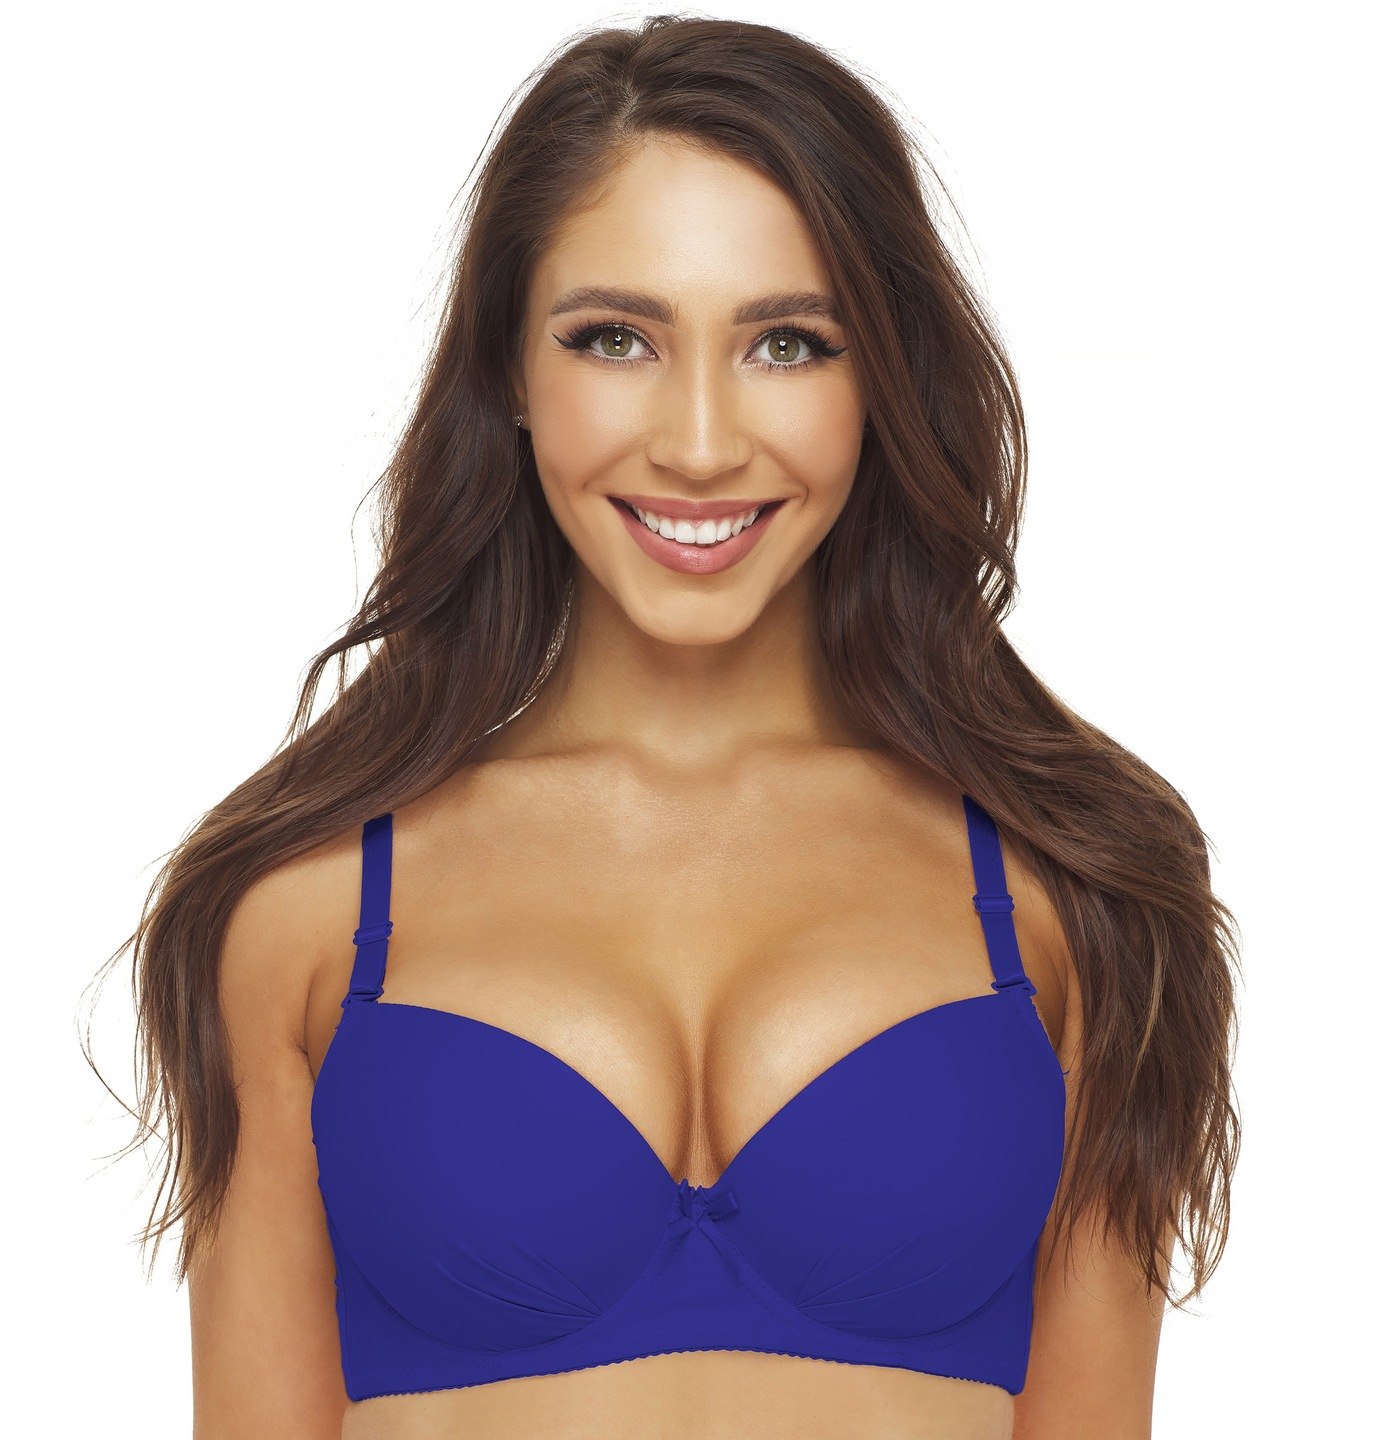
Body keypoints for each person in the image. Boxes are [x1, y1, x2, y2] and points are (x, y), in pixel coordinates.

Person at [115, 16, 1240, 1439]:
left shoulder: (1077, 887)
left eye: (786, 343)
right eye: (616, 339)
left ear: (881, 380)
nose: (700, 444)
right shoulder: (303, 910)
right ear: (509, 373)